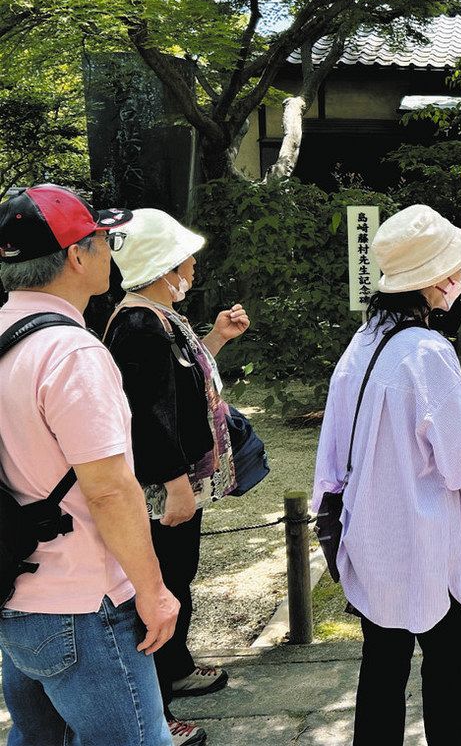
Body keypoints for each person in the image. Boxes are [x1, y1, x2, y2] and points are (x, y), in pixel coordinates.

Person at [313, 205, 461, 746]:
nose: (459, 278)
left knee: (382, 662)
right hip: (426, 533)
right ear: (436, 279)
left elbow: (333, 446)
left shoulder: (364, 341)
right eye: (455, 269)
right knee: (446, 659)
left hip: (370, 528)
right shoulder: (428, 351)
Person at [0, 185, 177, 746]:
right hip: (83, 602)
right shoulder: (71, 353)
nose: (110, 253)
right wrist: (153, 590)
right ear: (77, 256)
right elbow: (109, 490)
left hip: (16, 591)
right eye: (104, 240)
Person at [104, 208, 251, 745]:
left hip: (176, 481)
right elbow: (148, 413)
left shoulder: (158, 315)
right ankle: (155, 711)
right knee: (159, 589)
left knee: (178, 577)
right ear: (163, 265)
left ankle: (176, 667)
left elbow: (179, 383)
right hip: (162, 488)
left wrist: (217, 339)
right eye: (185, 258)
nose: (192, 266)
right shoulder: (139, 325)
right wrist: (175, 484)